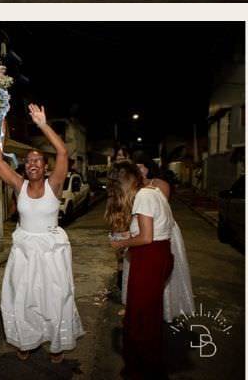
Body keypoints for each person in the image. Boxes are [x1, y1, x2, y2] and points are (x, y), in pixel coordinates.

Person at [0, 105, 84, 361]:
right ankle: (26, 339)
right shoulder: (18, 185)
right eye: (28, 160)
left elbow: (63, 151)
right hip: (24, 250)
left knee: (54, 296)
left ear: (45, 167)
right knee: (23, 295)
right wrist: (0, 128)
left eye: (37, 160)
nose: (32, 163)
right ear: (25, 167)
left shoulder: (53, 185)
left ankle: (57, 341)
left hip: (51, 251)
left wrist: (43, 124)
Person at [108, 161, 176, 378]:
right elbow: (154, 231)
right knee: (149, 316)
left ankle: (141, 370)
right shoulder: (153, 191)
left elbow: (146, 238)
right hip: (160, 254)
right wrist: (128, 236)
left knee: (140, 318)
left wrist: (120, 243)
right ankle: (151, 365)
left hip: (149, 259)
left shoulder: (143, 197)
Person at [119, 158, 193, 324]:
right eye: (134, 167)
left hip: (158, 235)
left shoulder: (153, 188)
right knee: (145, 283)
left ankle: (156, 312)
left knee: (151, 281)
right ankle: (141, 311)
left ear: (148, 167)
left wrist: (123, 242)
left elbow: (153, 221)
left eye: (140, 166)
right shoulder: (139, 189)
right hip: (146, 236)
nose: (136, 170)